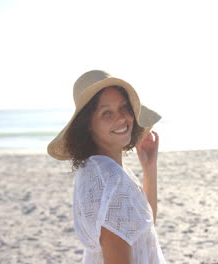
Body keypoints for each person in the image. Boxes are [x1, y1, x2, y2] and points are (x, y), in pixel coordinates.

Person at [47, 70, 165, 264]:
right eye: (107, 113)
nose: (121, 118)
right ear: (88, 125)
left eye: (124, 107)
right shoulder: (111, 181)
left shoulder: (97, 169)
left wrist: (149, 168)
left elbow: (144, 224)